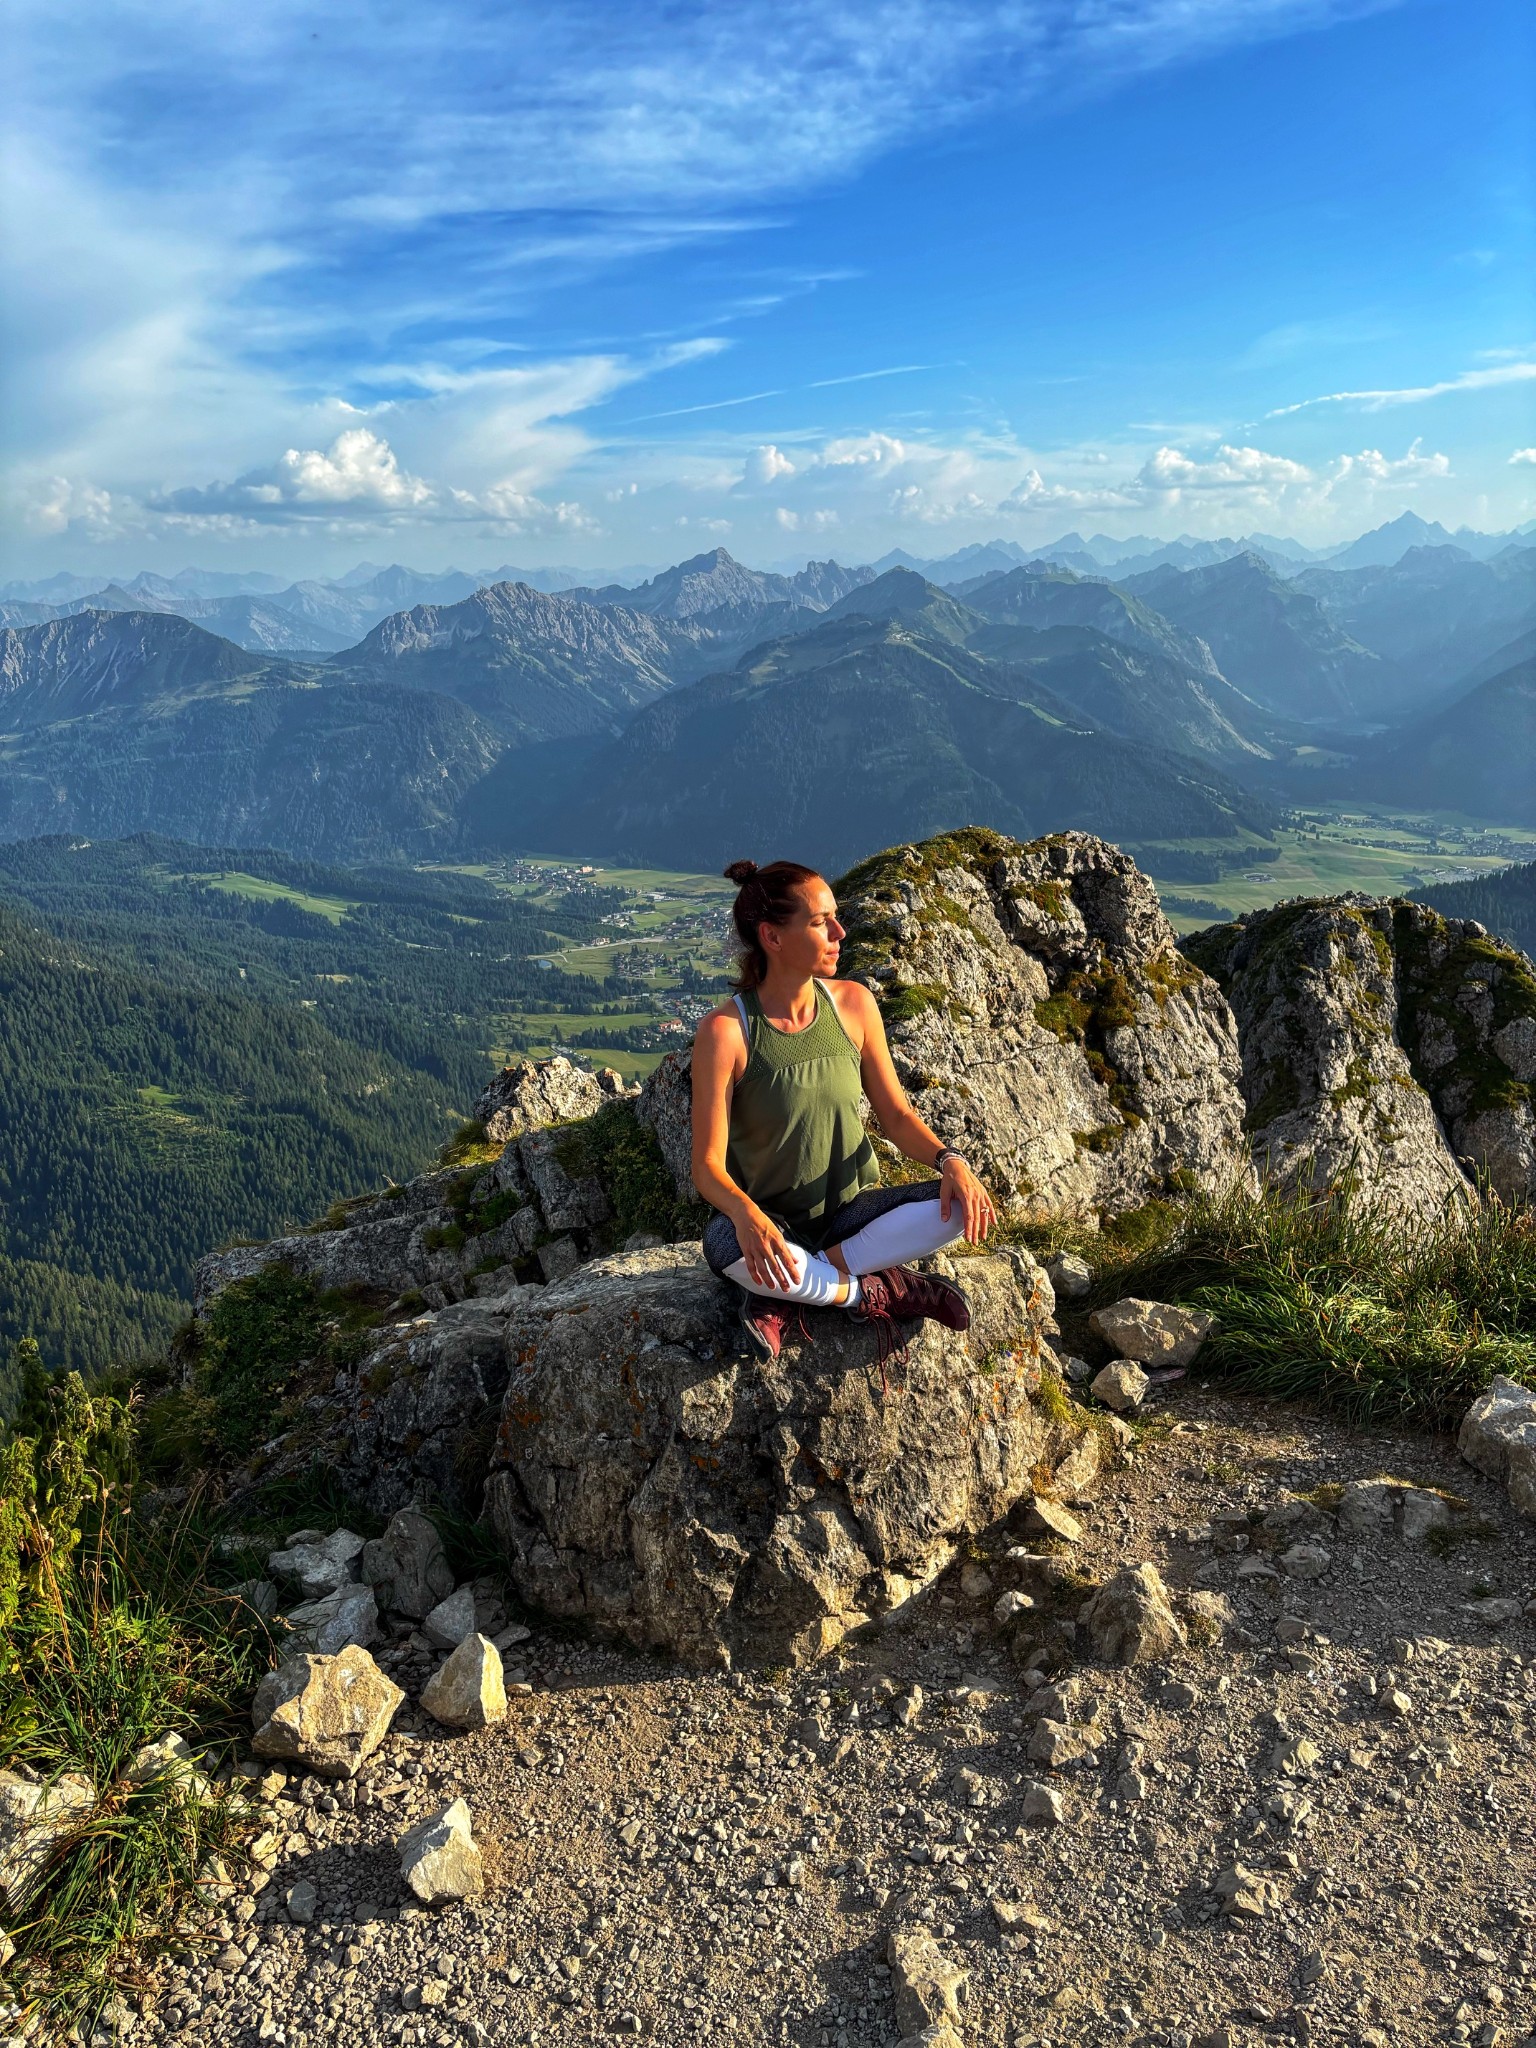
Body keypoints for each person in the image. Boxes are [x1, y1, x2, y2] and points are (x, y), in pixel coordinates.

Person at [691, 857, 997, 1363]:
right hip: (771, 1227)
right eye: (819, 922)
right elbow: (706, 1167)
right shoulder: (727, 1032)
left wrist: (952, 1161)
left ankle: (791, 1291)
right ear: (772, 936)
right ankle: (874, 1292)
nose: (840, 931)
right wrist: (746, 1215)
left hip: (851, 1220)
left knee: (961, 1206)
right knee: (724, 1246)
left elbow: (895, 1116)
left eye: (834, 916)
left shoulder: (854, 1004)